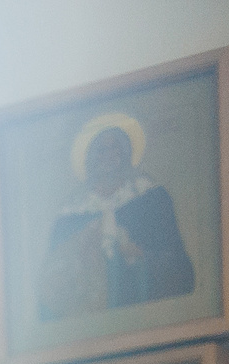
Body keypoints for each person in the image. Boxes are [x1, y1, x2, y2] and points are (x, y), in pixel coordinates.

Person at [40, 120, 198, 319]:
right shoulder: (71, 212)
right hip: (89, 319)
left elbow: (177, 264)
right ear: (89, 157)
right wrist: (82, 249)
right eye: (101, 150)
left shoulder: (150, 196)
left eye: (115, 148)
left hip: (143, 313)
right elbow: (51, 285)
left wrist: (140, 254)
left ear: (126, 152)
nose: (109, 156)